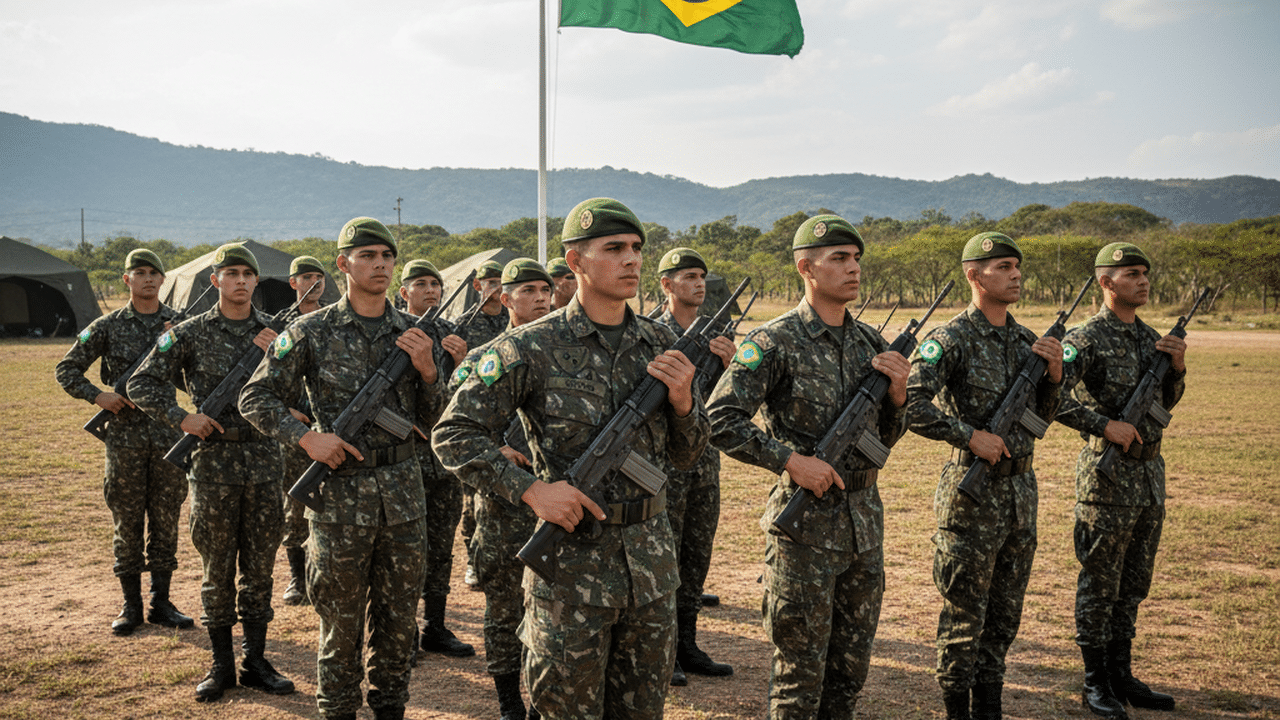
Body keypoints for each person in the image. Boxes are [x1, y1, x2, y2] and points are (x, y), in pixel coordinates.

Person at [433, 197, 709, 720]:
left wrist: (684, 405)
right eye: (614, 248)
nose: (631, 260)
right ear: (576, 262)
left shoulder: (661, 342)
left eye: (635, 249)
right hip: (570, 574)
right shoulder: (529, 346)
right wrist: (532, 490)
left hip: (649, 569)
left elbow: (688, 453)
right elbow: (453, 433)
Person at [240, 218, 447, 720]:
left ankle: (391, 710)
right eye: (368, 255)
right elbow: (255, 396)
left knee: (398, 627)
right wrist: (307, 437)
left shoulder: (417, 334)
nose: (380, 264)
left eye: (387, 257)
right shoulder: (310, 331)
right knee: (341, 628)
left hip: (402, 500)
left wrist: (428, 371)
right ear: (343, 265)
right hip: (338, 502)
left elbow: (437, 419)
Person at [707, 216, 910, 719]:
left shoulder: (870, 343)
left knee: (849, 672)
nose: (853, 268)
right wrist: (791, 461)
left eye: (856, 258)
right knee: (800, 676)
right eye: (839, 258)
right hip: (804, 532)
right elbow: (721, 418)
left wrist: (899, 397)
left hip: (864, 523)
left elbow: (882, 441)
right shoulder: (773, 342)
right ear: (806, 268)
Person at [905, 232, 1063, 720]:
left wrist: (1054, 377)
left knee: (1005, 612)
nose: (1016, 275)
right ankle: (956, 706)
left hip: (1020, 491)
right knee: (964, 612)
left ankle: (989, 703)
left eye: (1018, 266)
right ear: (975, 276)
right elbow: (910, 403)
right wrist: (967, 435)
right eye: (1003, 267)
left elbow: (1042, 416)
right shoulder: (949, 339)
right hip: (971, 495)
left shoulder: (1027, 342)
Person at [128, 243, 294, 702]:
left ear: (257, 282)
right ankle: (222, 664)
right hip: (213, 465)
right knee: (217, 567)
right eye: (231, 272)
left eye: (247, 273)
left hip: (263, 462)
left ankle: (256, 661)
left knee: (259, 568)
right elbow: (141, 381)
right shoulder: (189, 333)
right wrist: (182, 418)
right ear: (215, 281)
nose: (240, 280)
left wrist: (273, 356)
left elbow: (300, 392)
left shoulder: (276, 334)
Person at [1057, 242, 1185, 718]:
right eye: (1132, 274)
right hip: (1106, 481)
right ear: (1107, 283)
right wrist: (1102, 424)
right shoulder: (1085, 338)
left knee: (1133, 583)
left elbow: (1165, 404)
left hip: (1149, 476)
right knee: (1100, 583)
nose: (1143, 281)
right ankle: (1094, 683)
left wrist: (1177, 369)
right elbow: (1050, 396)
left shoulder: (1151, 337)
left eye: (1146, 273)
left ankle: (1121, 673)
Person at [54, 248, 195, 636]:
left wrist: (176, 344)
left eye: (154, 273)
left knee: (165, 517)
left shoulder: (179, 324)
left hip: (168, 434)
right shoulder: (108, 325)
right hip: (125, 437)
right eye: (140, 272)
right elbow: (66, 368)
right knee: (127, 519)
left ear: (163, 280)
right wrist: (98, 396)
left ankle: (161, 602)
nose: (148, 278)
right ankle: (131, 605)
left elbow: (195, 379)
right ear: (127, 280)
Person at [451, 258, 553, 720]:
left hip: (558, 501)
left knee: (554, 612)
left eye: (543, 290)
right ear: (504, 298)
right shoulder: (482, 359)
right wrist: (496, 452)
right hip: (504, 505)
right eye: (527, 290)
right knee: (505, 608)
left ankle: (543, 701)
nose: (539, 298)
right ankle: (510, 701)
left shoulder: (562, 354)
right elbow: (452, 430)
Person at [653, 247, 736, 686]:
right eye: (688, 276)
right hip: (664, 465)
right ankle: (663, 651)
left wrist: (728, 367)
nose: (699, 283)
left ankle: (688, 642)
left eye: (702, 275)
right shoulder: (650, 334)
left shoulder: (715, 333)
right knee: (666, 559)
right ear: (666, 285)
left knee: (696, 556)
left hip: (704, 463)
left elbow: (720, 407)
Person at [397, 258, 473, 658]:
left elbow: (468, 397)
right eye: (420, 284)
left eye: (435, 284)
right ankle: (403, 630)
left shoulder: (452, 337)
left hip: (442, 460)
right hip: (403, 459)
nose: (430, 290)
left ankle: (435, 626)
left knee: (441, 547)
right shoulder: (392, 330)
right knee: (406, 550)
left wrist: (461, 364)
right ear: (403, 291)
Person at [455, 258, 511, 587]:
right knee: (472, 501)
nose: (497, 287)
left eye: (501, 282)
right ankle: (473, 559)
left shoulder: (510, 321)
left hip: (508, 420)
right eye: (490, 282)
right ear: (478, 286)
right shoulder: (462, 326)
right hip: (478, 422)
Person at [278, 255, 328, 606]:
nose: (314, 282)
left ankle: (322, 572)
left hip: (332, 429)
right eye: (306, 276)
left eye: (319, 276)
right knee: (295, 503)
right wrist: (285, 413)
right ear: (292, 282)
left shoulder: (333, 320)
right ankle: (297, 577)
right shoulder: (278, 325)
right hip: (297, 433)